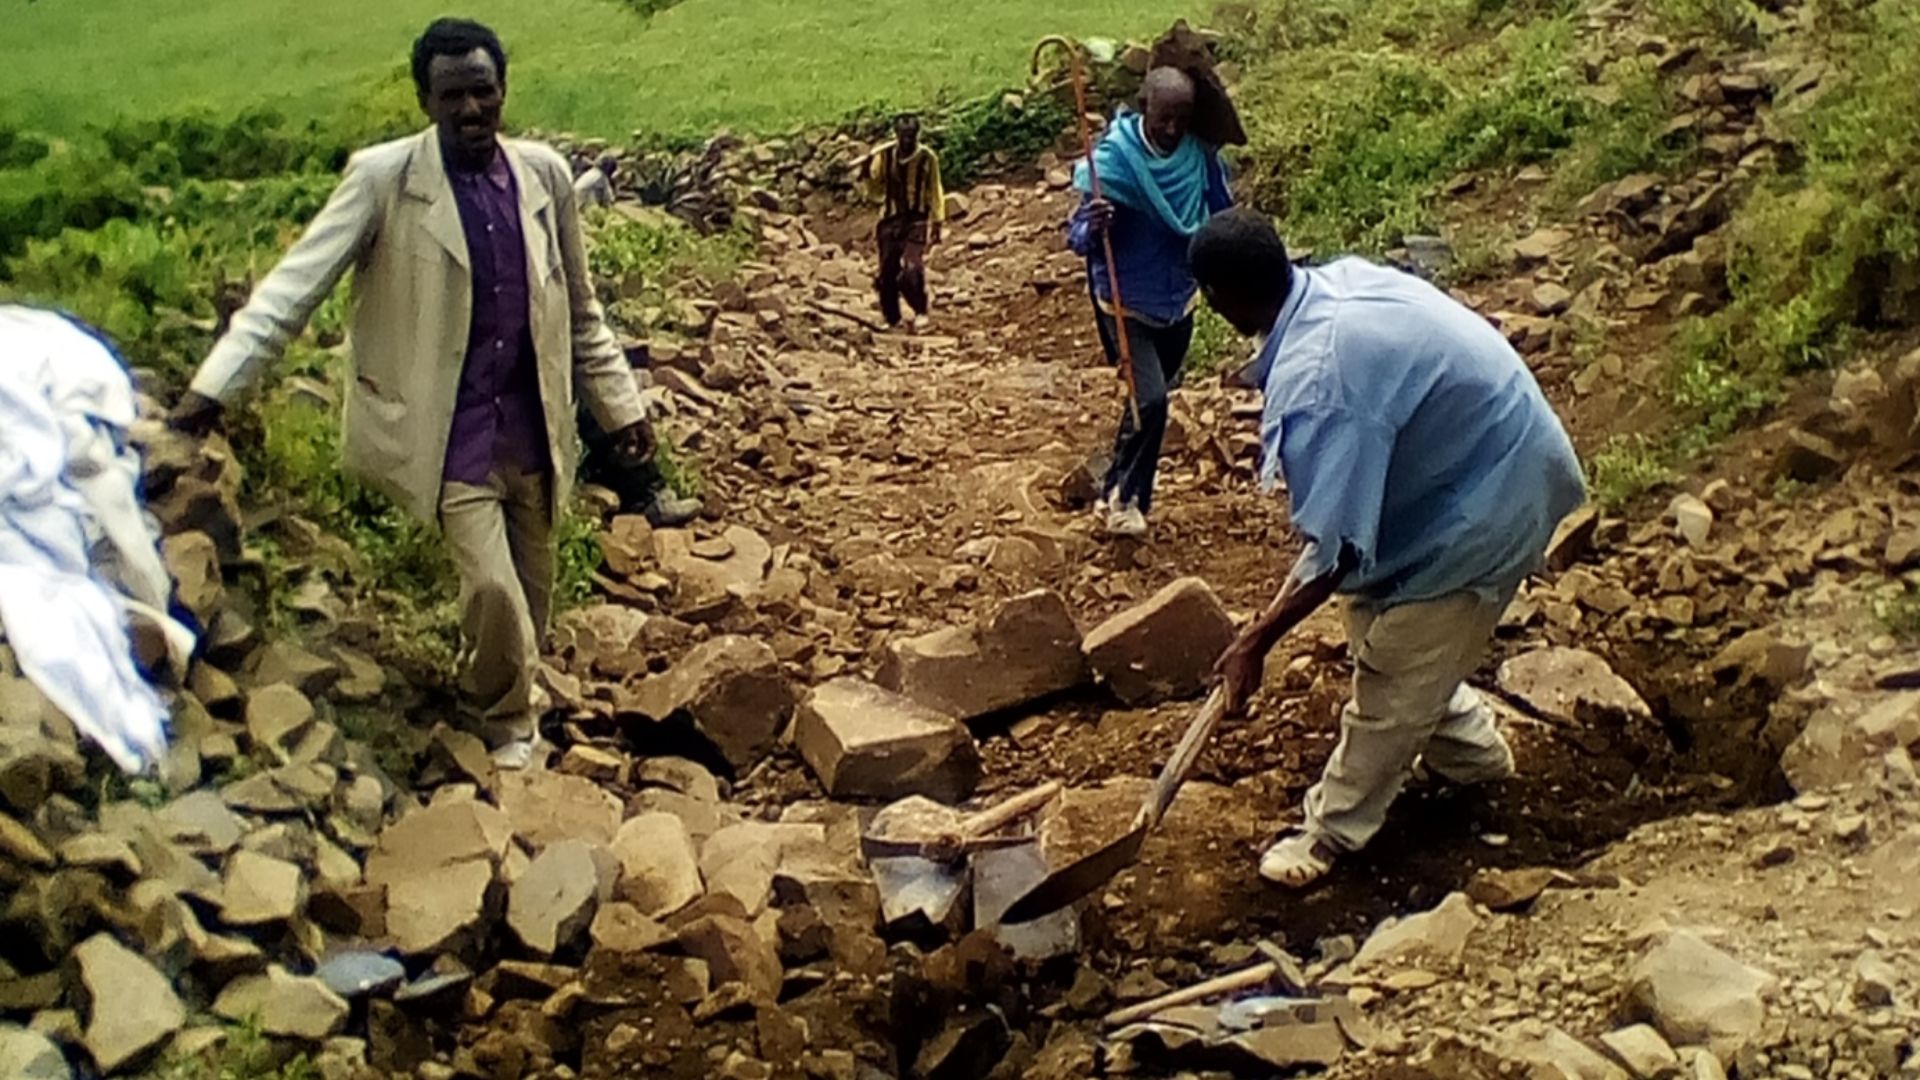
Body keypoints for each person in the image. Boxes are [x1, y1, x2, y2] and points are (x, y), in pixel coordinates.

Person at [168, 18, 655, 767]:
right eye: (452, 95)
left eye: (483, 92)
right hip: (448, 432)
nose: (471, 111)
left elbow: (579, 308)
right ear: (425, 100)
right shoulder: (385, 179)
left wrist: (621, 409)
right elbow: (292, 290)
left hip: (533, 427)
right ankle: (507, 726)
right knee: (490, 589)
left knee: (531, 592)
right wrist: (212, 391)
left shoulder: (543, 177)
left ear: (503, 91)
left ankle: (512, 688)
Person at [1189, 209, 1586, 888]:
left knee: (1396, 670)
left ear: (1224, 300)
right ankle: (1472, 756)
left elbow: (1340, 546)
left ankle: (1332, 832)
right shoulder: (1330, 284)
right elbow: (1341, 545)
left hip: (1492, 498)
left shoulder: (1322, 377)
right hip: (1459, 473)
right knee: (1378, 625)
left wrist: (1257, 641)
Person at [1069, 67, 1232, 540]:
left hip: (1178, 300)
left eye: (1182, 119)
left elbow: (1220, 214)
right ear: (1145, 108)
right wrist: (1094, 225)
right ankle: (1129, 502)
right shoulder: (1114, 162)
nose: (1172, 129)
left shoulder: (1198, 158)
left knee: (1148, 403)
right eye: (1164, 118)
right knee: (1152, 400)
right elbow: (1077, 237)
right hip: (1124, 304)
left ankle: (1113, 488)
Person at [863, 114, 945, 329]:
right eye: (903, 137)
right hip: (889, 221)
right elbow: (874, 187)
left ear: (917, 135)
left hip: (916, 221)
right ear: (896, 135)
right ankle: (892, 318)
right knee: (887, 272)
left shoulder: (928, 158)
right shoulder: (884, 156)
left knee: (911, 267)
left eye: (911, 137)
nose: (907, 141)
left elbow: (935, 190)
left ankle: (920, 309)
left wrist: (937, 220)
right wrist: (866, 173)